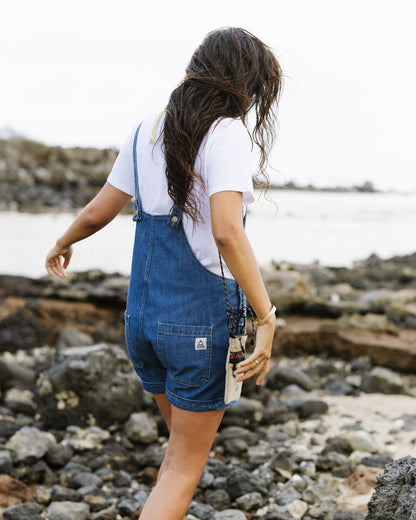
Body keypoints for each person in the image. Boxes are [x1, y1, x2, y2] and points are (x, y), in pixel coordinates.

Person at [45, 27, 283, 520]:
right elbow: (227, 232)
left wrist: (64, 241)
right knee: (181, 469)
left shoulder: (146, 129)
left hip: (143, 321)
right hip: (197, 326)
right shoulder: (226, 132)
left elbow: (99, 210)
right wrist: (266, 316)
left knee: (175, 459)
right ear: (246, 83)